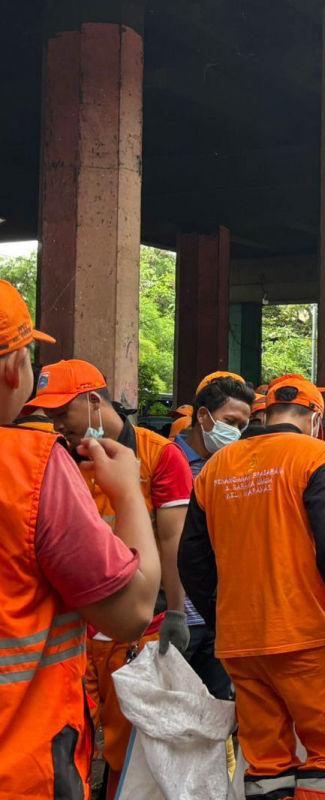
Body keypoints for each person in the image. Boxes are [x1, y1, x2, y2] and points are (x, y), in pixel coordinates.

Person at [179, 374, 325, 800]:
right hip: (304, 637)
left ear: (265, 413)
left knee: (267, 761)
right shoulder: (316, 456)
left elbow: (191, 560)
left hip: (240, 644)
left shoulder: (217, 467)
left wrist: (223, 616)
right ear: (314, 417)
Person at [0, 279, 161, 797]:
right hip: (22, 764)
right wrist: (130, 493)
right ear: (12, 369)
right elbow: (130, 611)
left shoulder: (167, 453)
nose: (55, 424)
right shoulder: (30, 466)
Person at [28, 357, 194, 796]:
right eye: (49, 416)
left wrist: (176, 611)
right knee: (74, 734)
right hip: (77, 630)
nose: (58, 424)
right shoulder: (56, 458)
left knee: (130, 743)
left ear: (94, 401)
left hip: (140, 627)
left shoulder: (160, 456)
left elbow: (172, 539)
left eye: (64, 413)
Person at [172, 371, 256, 701]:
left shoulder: (233, 468)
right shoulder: (167, 461)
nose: (235, 432)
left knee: (222, 714)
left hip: (221, 618)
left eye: (242, 426)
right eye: (230, 421)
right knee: (171, 717)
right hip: (175, 618)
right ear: (203, 416)